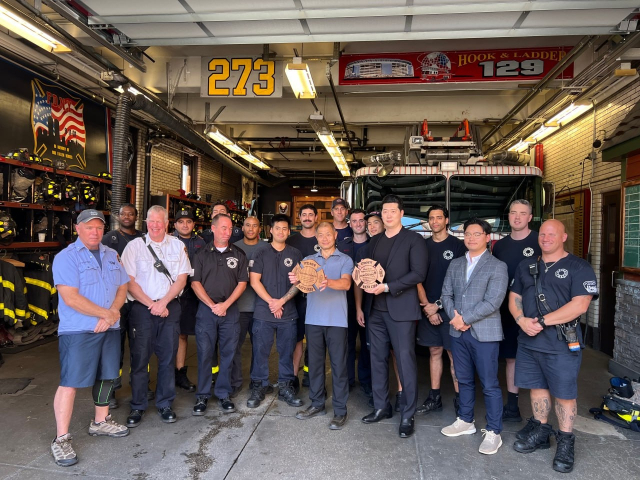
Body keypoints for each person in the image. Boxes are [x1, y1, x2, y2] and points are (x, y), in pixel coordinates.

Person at [509, 220, 598, 474]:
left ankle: (566, 441)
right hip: (528, 341)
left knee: (565, 394)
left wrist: (543, 321)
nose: (546, 238)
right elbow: (514, 297)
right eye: (543, 234)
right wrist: (520, 320)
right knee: (537, 389)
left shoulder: (579, 267)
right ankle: (542, 431)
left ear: (563, 237)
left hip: (561, 342)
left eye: (552, 234)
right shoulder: (526, 266)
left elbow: (581, 305)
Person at [51, 209, 130, 467]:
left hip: (109, 326)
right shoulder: (66, 258)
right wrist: (105, 314)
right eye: (89, 227)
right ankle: (61, 438)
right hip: (79, 329)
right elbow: (70, 297)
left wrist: (112, 315)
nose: (95, 232)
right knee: (71, 382)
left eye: (99, 227)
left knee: (108, 375)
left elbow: (122, 286)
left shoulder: (111, 255)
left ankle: (100, 422)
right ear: (77, 228)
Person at [360, 195, 428, 439]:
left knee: (405, 361)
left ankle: (407, 414)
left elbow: (418, 273)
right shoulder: (375, 241)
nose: (387, 215)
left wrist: (387, 287)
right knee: (376, 359)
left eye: (392, 211)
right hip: (375, 309)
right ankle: (381, 406)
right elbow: (367, 269)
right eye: (384, 211)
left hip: (401, 310)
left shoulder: (414, 240)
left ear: (401, 213)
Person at [440, 218, 508, 456]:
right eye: (467, 234)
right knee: (463, 378)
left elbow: (494, 301)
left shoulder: (497, 266)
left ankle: (494, 431)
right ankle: (465, 420)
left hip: (484, 333)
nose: (470, 238)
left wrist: (464, 319)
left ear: (487, 237)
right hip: (458, 332)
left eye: (476, 234)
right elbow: (446, 294)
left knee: (489, 384)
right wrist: (455, 318)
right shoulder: (456, 264)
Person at [121, 206, 190, 427]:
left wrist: (164, 302)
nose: (155, 225)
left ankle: (164, 403)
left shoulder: (178, 246)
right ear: (146, 222)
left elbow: (181, 279)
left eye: (159, 221)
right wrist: (153, 304)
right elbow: (129, 281)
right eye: (151, 221)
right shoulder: (134, 247)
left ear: (167, 223)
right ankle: (138, 405)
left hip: (169, 306)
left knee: (168, 358)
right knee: (140, 359)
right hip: (143, 309)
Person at [293, 222, 354, 430]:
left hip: (337, 321)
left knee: (338, 367)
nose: (325, 238)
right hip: (313, 320)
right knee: (315, 366)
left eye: (328, 234)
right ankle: (317, 403)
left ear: (335, 235)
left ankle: (340, 411)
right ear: (316, 238)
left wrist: (326, 281)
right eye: (321, 235)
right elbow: (299, 282)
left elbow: (346, 284)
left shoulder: (345, 259)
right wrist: (295, 278)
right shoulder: (308, 261)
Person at [191, 213, 248, 415]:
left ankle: (224, 393)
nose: (227, 232)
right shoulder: (201, 254)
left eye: (230, 228)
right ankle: (203, 396)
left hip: (230, 312)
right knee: (205, 354)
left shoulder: (239, 254)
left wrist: (225, 305)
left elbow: (243, 283)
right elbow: (195, 282)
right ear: (213, 229)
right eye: (223, 227)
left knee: (228, 354)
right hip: (206, 312)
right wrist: (212, 304)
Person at [492, 199, 541, 422]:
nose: (517, 217)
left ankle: (539, 416)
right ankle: (512, 406)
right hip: (504, 309)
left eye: (523, 213)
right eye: (513, 213)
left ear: (530, 217)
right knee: (510, 357)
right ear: (508, 216)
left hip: (534, 312)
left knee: (536, 359)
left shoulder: (540, 240)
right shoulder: (499, 246)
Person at [248, 214, 303, 409]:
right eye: (277, 228)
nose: (281, 231)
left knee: (286, 352)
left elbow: (299, 283)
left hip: (288, 312)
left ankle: (286, 387)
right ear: (270, 230)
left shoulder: (296, 254)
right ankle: (259, 386)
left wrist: (282, 301)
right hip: (264, 311)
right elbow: (254, 281)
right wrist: (272, 302)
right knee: (260, 351)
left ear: (289, 231)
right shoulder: (260, 252)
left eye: (285, 229)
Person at [416, 205, 466, 417]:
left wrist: (439, 305)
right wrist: (428, 307)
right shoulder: (422, 246)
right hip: (428, 308)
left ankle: (461, 400)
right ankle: (434, 396)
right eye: (431, 218)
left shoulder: (458, 246)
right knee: (434, 351)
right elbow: (416, 278)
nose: (435, 221)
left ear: (447, 220)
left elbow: (462, 282)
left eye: (439, 217)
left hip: (451, 310)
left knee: (454, 355)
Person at [101, 203, 144, 409]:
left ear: (136, 216)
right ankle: (111, 389)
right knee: (114, 347)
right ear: (118, 217)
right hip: (116, 300)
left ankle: (141, 386)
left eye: (131, 213)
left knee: (140, 346)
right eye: (123, 214)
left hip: (138, 300)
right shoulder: (108, 239)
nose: (127, 216)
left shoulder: (144, 239)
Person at [337, 208, 371, 395]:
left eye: (361, 221)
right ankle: (348, 380)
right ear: (349, 224)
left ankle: (366, 380)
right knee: (347, 343)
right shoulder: (341, 246)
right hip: (344, 302)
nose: (358, 224)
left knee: (368, 344)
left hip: (371, 303)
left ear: (365, 223)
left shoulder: (376, 245)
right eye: (354, 221)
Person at [233, 216, 269, 395]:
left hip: (261, 308)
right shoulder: (235, 247)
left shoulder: (266, 248)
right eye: (247, 225)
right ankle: (235, 381)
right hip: (238, 308)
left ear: (259, 228)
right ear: (243, 227)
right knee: (235, 347)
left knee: (260, 347)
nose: (251, 228)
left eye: (255, 226)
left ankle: (259, 381)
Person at [286, 204, 321, 390]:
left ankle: (310, 374)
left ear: (316, 217)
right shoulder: (291, 241)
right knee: (297, 338)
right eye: (304, 215)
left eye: (310, 215)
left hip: (319, 299)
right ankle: (293, 377)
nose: (307, 218)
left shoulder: (322, 239)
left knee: (315, 340)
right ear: (299, 218)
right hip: (297, 299)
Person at [172, 209, 206, 392]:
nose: (185, 225)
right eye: (181, 221)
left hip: (197, 293)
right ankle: (172, 373)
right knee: (174, 335)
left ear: (194, 224)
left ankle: (182, 373)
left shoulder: (201, 242)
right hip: (175, 293)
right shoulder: (168, 241)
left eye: (189, 222)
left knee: (191, 333)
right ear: (175, 224)